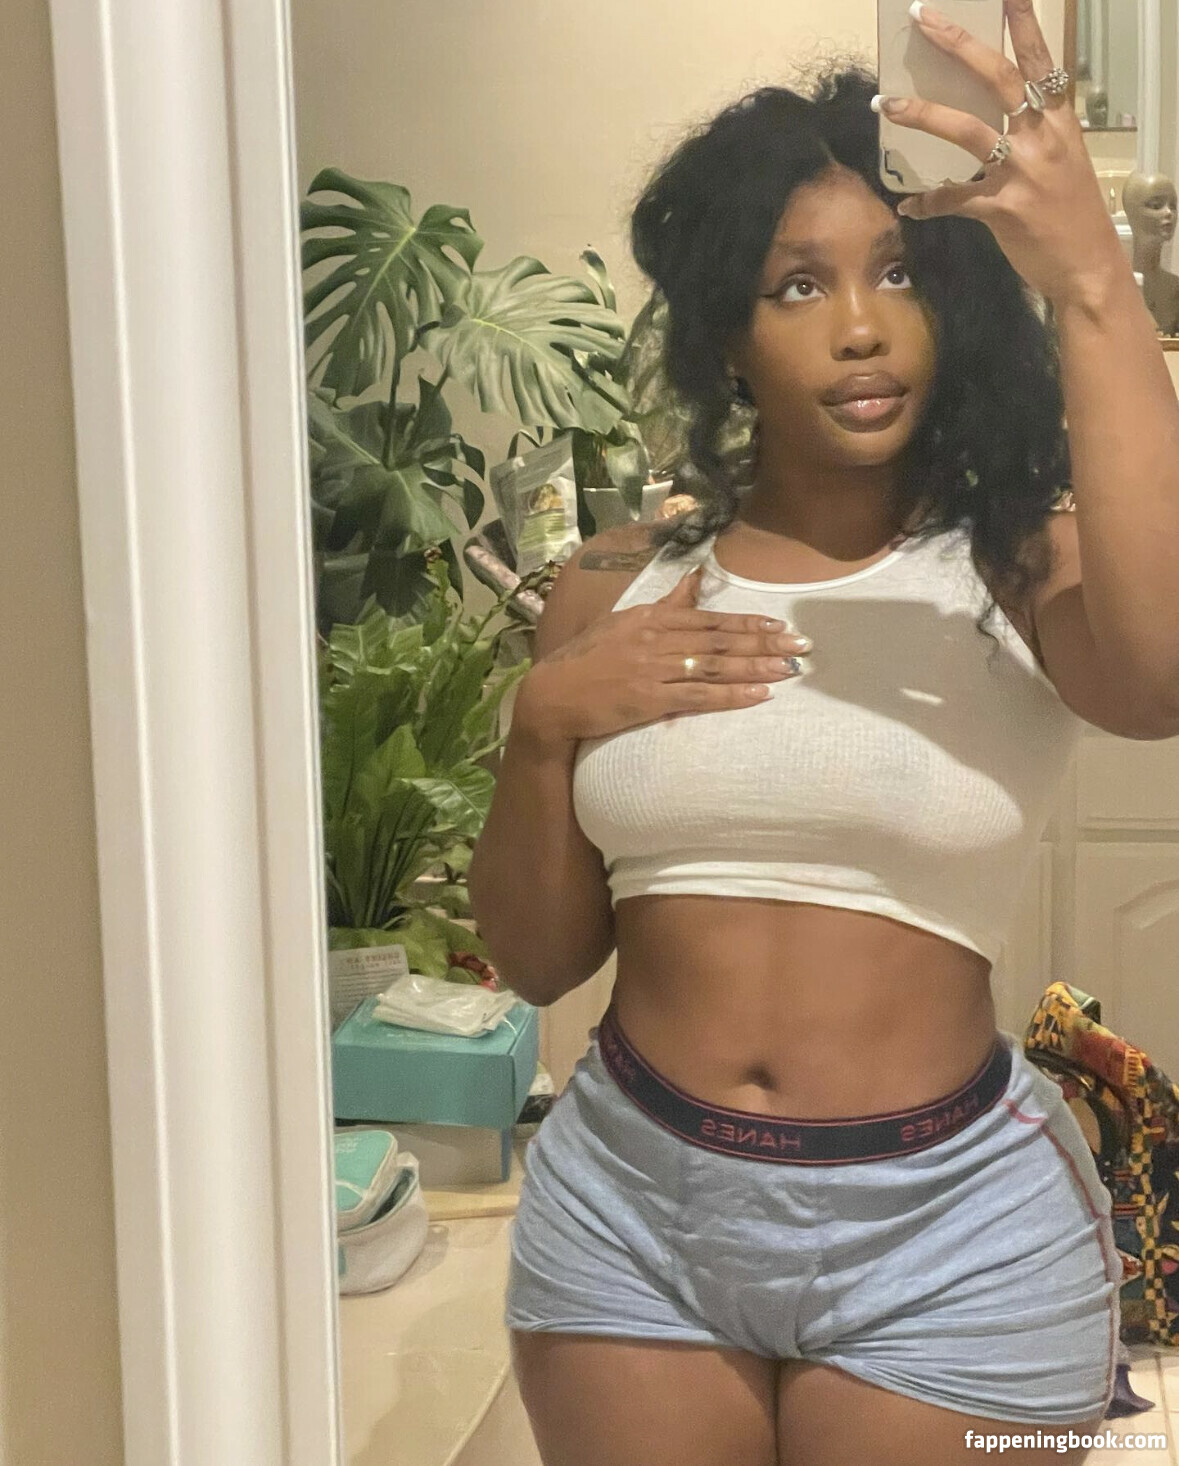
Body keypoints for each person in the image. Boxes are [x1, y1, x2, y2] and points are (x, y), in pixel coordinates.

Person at [467, 22, 1169, 1463]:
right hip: (629, 1218)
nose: (860, 326)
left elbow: (1162, 679)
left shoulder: (1017, 568)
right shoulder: (612, 586)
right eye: (800, 285)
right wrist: (540, 734)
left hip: (955, 1233)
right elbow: (537, 962)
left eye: (899, 274)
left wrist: (1093, 277)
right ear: (728, 334)